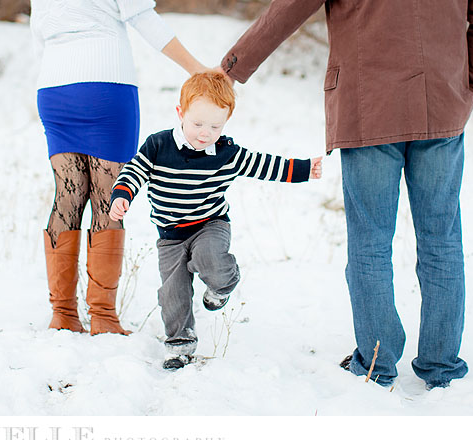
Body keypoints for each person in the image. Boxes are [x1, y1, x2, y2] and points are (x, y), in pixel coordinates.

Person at [218, 0, 473, 389]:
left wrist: (229, 69)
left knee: (370, 241)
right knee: (442, 240)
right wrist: (467, 87)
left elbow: (288, 7)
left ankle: (376, 365)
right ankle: (442, 367)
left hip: (370, 116)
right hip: (444, 115)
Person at [27, 0, 206, 336]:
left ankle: (63, 315)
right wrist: (197, 70)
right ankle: (103, 318)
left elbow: (38, 27)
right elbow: (140, 13)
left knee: (68, 194)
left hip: (55, 88)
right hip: (105, 85)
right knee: (110, 200)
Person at [109, 71, 323, 369]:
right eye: (197, 124)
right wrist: (122, 195)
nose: (205, 133)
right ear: (180, 113)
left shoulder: (227, 154)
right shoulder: (158, 146)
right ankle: (179, 344)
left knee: (210, 257)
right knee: (173, 292)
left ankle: (222, 285)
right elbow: (135, 171)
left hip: (210, 224)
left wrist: (302, 169)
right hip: (170, 235)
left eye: (215, 126)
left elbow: (264, 165)